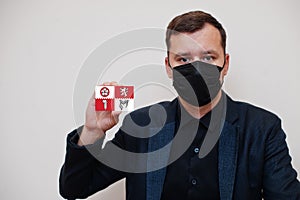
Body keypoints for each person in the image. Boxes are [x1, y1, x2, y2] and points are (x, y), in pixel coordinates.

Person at [59, 10, 300, 200]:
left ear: (225, 65)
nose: (196, 67)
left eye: (208, 57)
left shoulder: (262, 128)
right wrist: (92, 131)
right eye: (183, 59)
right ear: (168, 66)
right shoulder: (140, 125)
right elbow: (74, 188)